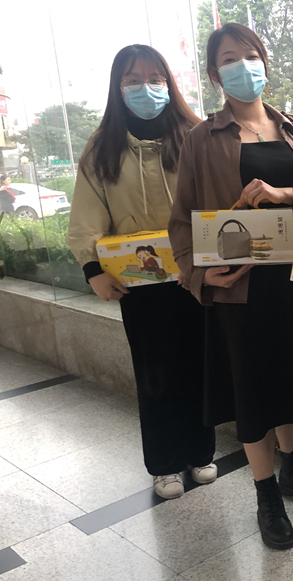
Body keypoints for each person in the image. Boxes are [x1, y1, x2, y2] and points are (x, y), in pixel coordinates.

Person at [168, 23, 293, 552]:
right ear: (215, 73)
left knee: (292, 381)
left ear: (265, 61)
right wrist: (198, 273)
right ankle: (266, 496)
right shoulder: (201, 138)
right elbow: (181, 220)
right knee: (253, 389)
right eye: (229, 59)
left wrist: (283, 193)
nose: (243, 66)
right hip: (239, 286)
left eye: (251, 54)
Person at [67, 44, 217, 500]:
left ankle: (200, 452)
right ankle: (165, 463)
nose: (145, 88)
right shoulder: (102, 147)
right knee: (155, 373)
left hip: (194, 275)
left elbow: (215, 199)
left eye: (155, 79)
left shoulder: (194, 135)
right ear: (118, 87)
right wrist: (93, 269)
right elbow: (87, 215)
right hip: (139, 284)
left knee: (199, 367)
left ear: (169, 84)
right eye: (133, 80)